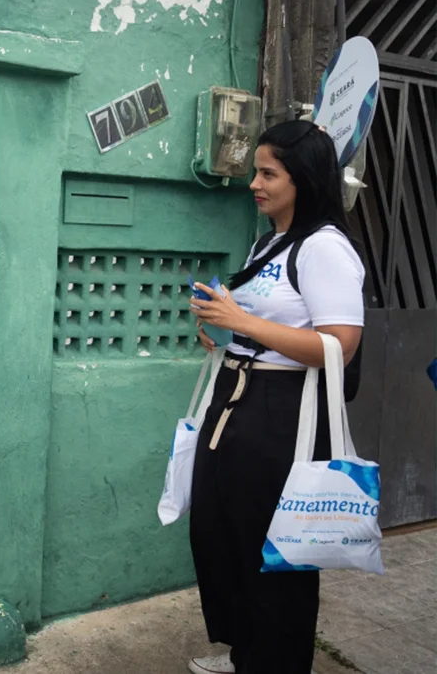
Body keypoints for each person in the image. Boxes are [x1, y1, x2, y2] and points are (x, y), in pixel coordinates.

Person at [186, 120, 365, 674]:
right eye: (255, 172)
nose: (254, 184)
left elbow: (340, 345)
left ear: (304, 179)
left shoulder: (325, 248)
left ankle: (276, 662)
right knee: (222, 535)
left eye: (268, 173)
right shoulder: (270, 241)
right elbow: (267, 324)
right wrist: (226, 329)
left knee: (274, 551)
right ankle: (248, 653)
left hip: (283, 412)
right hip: (236, 399)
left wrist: (245, 322)